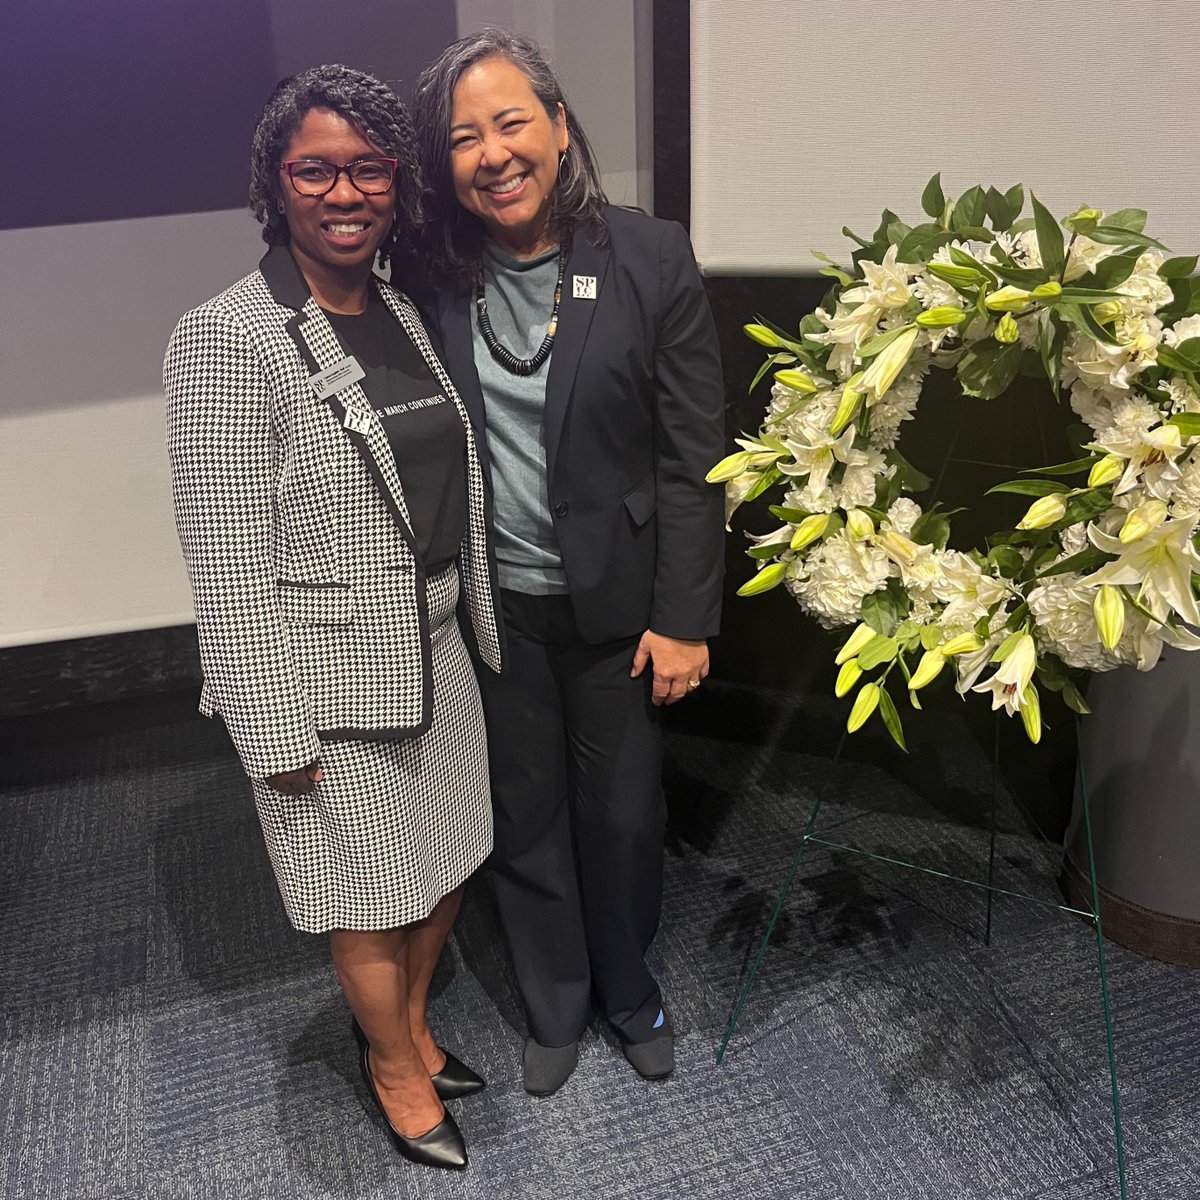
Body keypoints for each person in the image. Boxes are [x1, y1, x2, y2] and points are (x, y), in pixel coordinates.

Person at [164, 64, 500, 1171]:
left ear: (397, 183)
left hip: (438, 647)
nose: (344, 193)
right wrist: (273, 730)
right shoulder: (227, 338)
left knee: (446, 863)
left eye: (369, 169)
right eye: (317, 169)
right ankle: (396, 1066)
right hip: (323, 678)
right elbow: (225, 561)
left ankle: (409, 1030)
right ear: (276, 182)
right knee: (368, 894)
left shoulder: (397, 303)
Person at [411, 29, 725, 1096]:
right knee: (524, 811)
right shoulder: (429, 276)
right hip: (495, 609)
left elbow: (693, 457)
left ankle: (629, 990)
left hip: (622, 605)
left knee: (626, 812)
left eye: (510, 123)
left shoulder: (649, 257)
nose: (492, 154)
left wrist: (687, 615)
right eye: (464, 138)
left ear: (555, 125)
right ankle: (553, 1000)